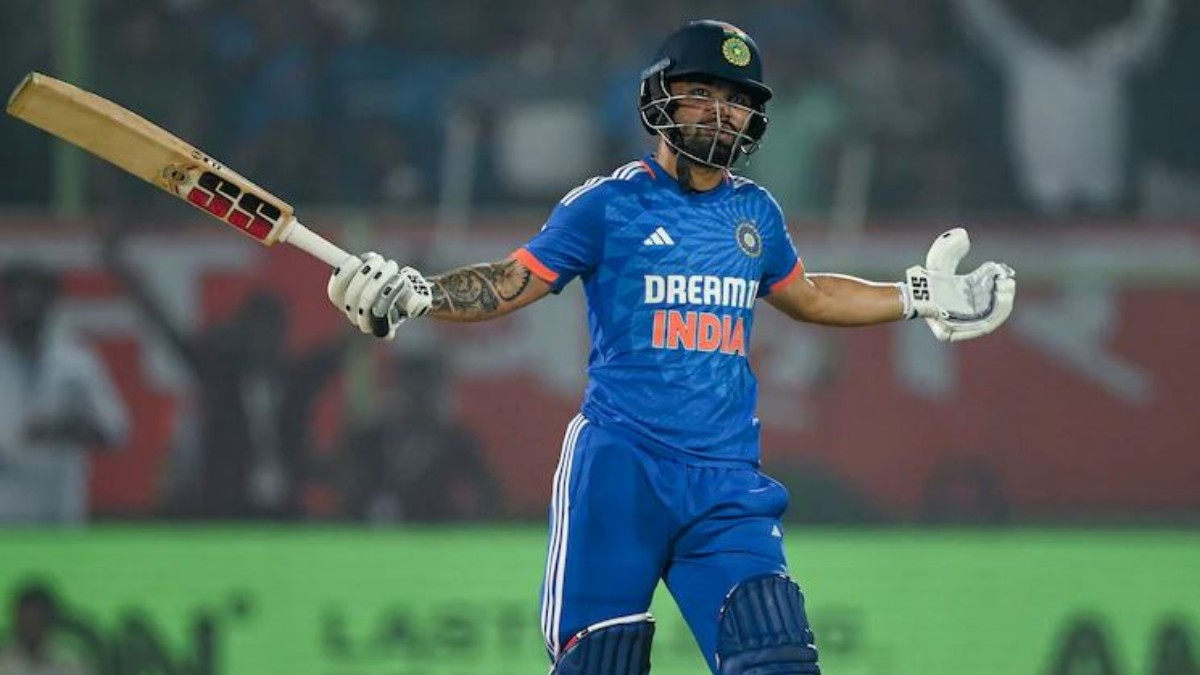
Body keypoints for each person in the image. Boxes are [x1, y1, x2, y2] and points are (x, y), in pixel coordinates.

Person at [325, 19, 1016, 675]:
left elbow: (809, 296)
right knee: (600, 664)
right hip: (620, 468)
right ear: (660, 96)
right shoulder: (607, 205)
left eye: (736, 100)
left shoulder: (755, 213)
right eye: (702, 91)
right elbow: (512, 281)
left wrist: (916, 295)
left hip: (726, 484)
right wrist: (421, 294)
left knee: (777, 661)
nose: (721, 111)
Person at [0, 264, 128, 525]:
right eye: (18, 291)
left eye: (35, 292)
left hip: (60, 506)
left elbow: (115, 428)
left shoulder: (76, 361)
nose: (26, 301)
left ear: (51, 300)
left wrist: (63, 427)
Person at [0, 582, 90, 675]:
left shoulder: (70, 662)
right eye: (27, 622)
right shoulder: (3, 662)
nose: (31, 629)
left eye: (36, 621)